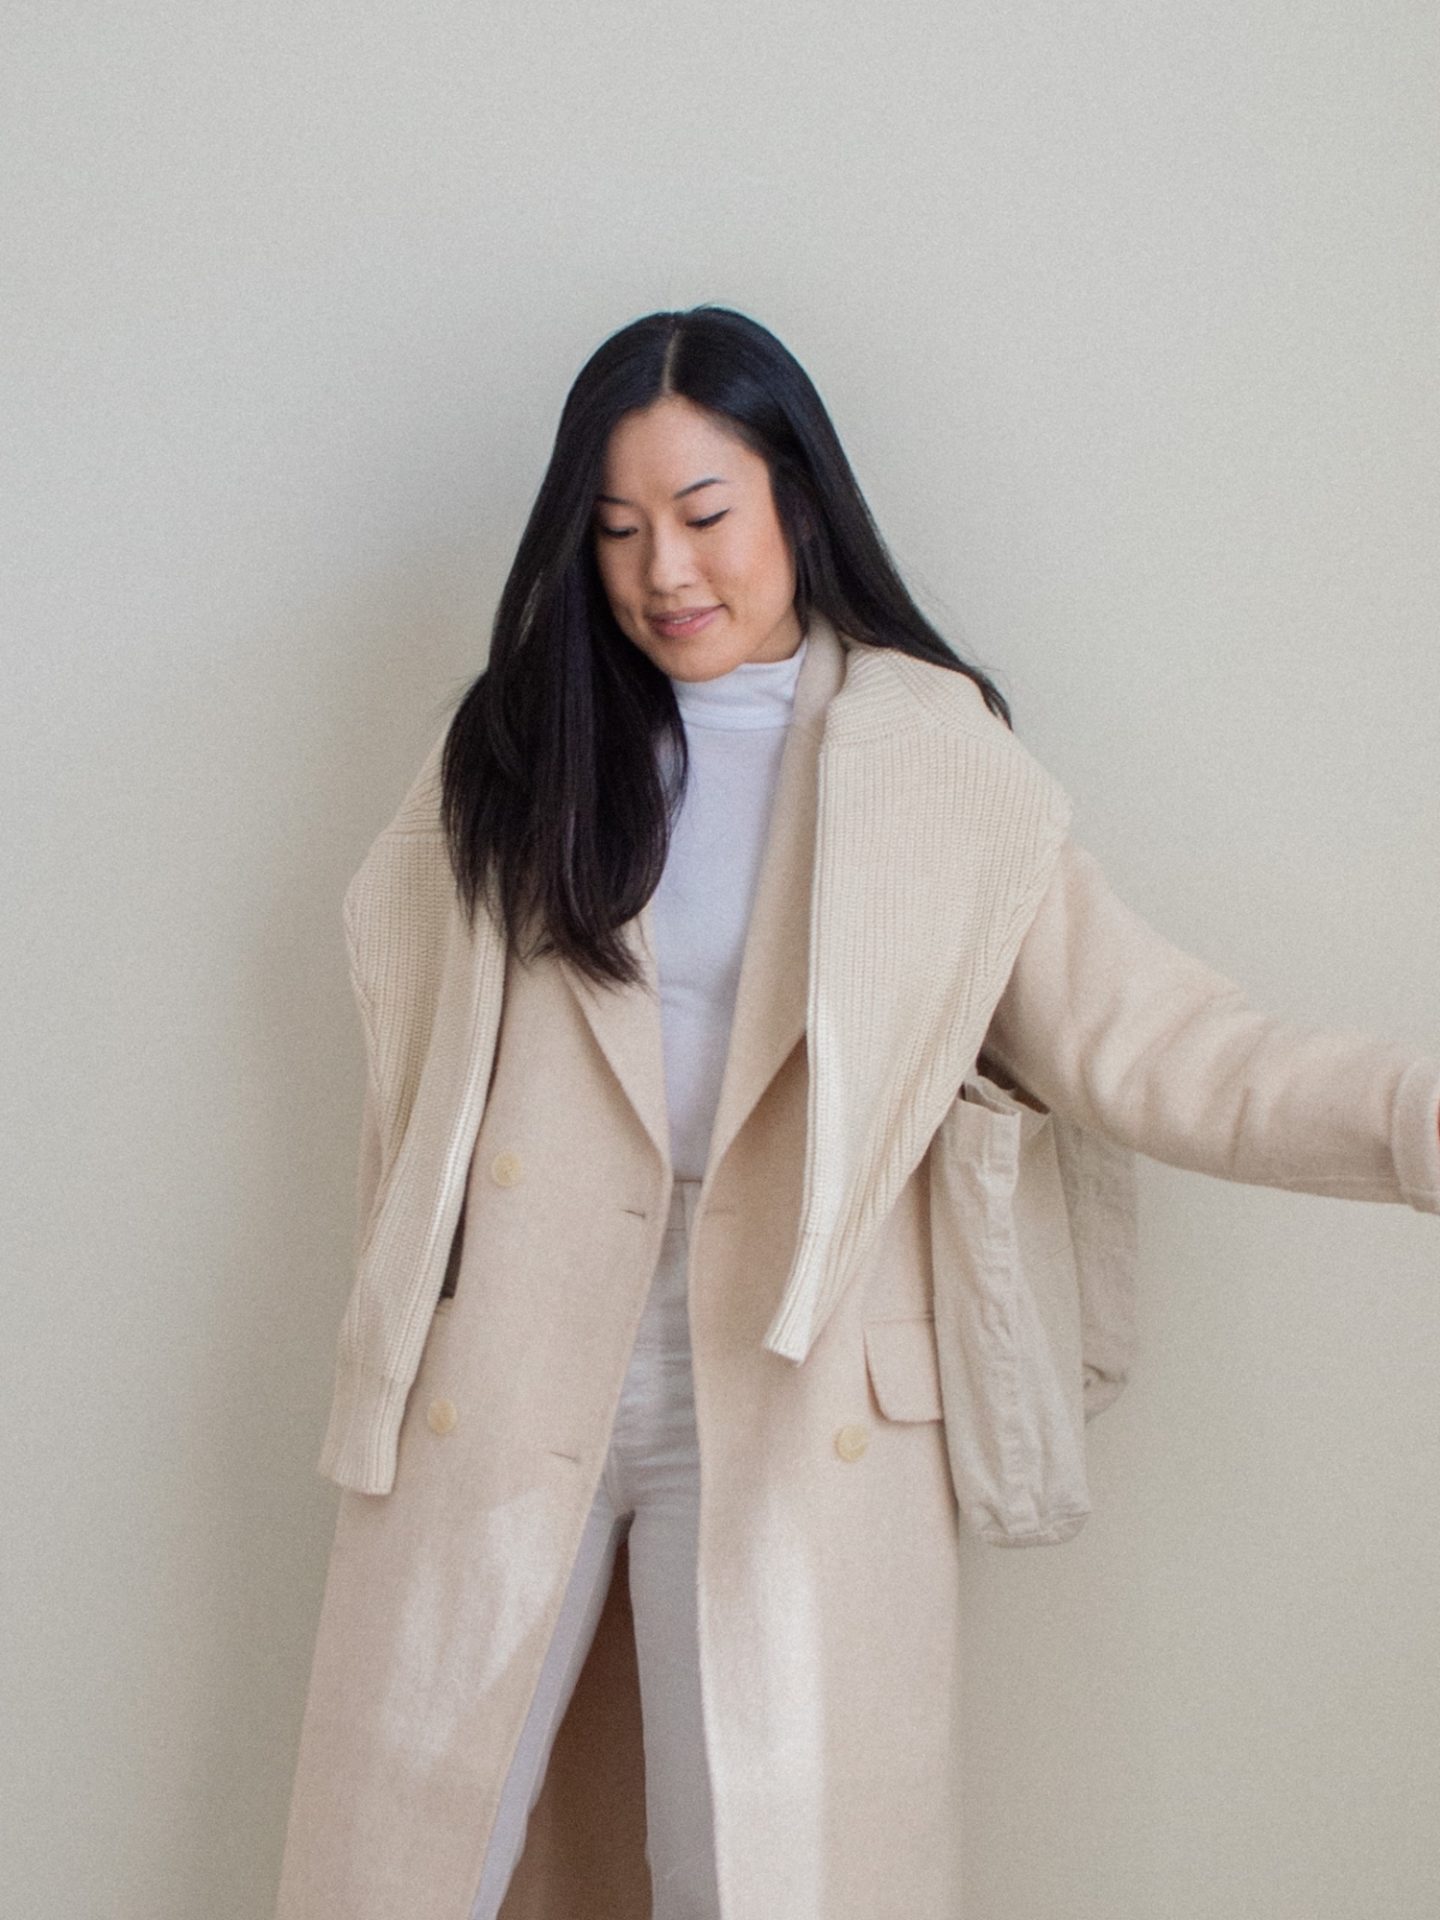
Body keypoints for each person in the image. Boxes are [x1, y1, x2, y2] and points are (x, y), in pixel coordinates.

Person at [273, 306, 1439, 1920]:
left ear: (796, 502)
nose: (662, 573)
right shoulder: (516, 755)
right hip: (509, 1363)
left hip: (793, 1378)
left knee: (762, 1876)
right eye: (615, 530)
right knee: (407, 1862)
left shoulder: (931, 765)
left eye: (703, 517)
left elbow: (1159, 1042)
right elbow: (411, 1037)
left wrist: (1412, 1119)